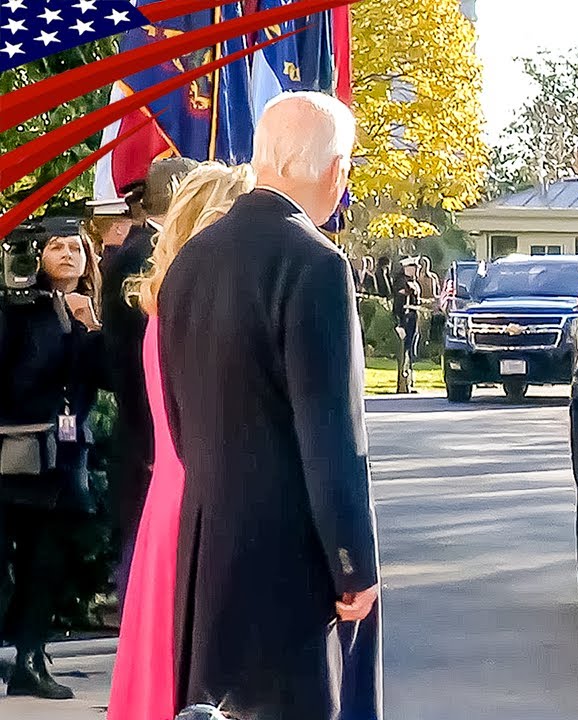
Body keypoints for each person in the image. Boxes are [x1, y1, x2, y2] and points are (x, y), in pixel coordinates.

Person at [158, 91, 381, 720]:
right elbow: (332, 436)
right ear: (336, 169)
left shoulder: (188, 261)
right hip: (292, 556)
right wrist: (352, 563)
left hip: (206, 544)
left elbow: (179, 422)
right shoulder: (315, 264)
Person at [106, 162, 255, 720]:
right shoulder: (205, 316)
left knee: (160, 675)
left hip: (168, 502)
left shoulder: (165, 307)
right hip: (200, 508)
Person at [0, 215, 106, 699]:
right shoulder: (16, 308)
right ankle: (23, 654)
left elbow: (104, 377)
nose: (68, 255)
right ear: (37, 257)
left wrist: (88, 328)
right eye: (57, 246)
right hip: (15, 454)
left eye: (76, 248)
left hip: (63, 457)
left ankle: (30, 657)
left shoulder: (85, 311)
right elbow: (19, 377)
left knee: (46, 563)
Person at [99, 156, 197, 604]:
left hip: (143, 427)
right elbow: (144, 359)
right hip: (147, 429)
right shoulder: (146, 258)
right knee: (144, 557)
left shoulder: (142, 252)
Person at [392, 258, 424, 393]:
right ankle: (403, 384)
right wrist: (400, 323)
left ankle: (409, 383)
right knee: (405, 351)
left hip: (412, 319)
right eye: (414, 267)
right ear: (407, 268)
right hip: (405, 320)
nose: (417, 270)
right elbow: (401, 305)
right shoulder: (402, 283)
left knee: (410, 352)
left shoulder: (413, 283)